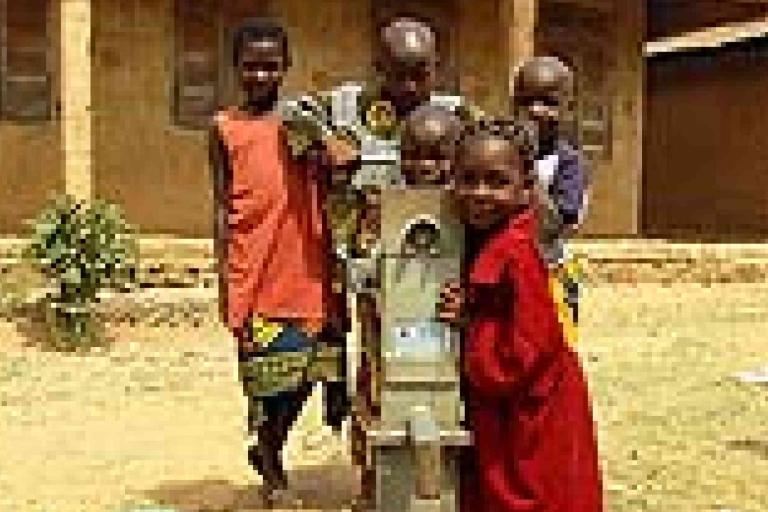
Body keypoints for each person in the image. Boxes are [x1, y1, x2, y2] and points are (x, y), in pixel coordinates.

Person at [209, 20, 348, 507]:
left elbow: (344, 165)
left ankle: (270, 446)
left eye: (271, 66)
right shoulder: (224, 128)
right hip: (255, 263)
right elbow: (220, 207)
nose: (261, 76)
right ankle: (270, 460)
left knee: (312, 369)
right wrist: (224, 278)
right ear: (237, 69)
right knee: (265, 376)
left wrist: (321, 140)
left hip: (306, 260)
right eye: (251, 66)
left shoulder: (302, 123)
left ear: (286, 68)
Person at [439, 119, 603, 512]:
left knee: (536, 495)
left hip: (533, 412)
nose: (480, 193)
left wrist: (471, 325)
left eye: (496, 182)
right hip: (517, 410)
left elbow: (524, 352)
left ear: (527, 187)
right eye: (468, 179)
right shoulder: (492, 237)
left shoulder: (517, 251)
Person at [511, 56, 589, 343]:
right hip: (507, 273)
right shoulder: (501, 153)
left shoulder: (569, 164)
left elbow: (554, 226)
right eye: (525, 101)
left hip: (550, 273)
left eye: (548, 103)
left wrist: (527, 167)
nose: (534, 111)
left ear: (568, 108)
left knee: (552, 347)